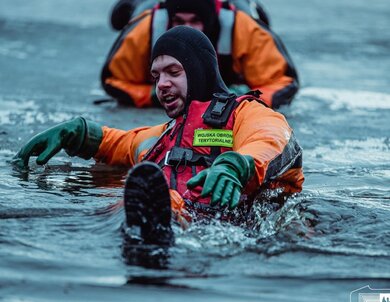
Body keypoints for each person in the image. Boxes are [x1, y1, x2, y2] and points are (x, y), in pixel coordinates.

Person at [13, 26, 304, 246]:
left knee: (158, 203)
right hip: (172, 227)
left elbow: (273, 140)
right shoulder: (166, 135)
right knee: (120, 204)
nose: (162, 85)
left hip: (226, 235)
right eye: (156, 77)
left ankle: (153, 221)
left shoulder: (246, 114)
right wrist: (78, 132)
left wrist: (236, 166)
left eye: (173, 72)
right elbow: (121, 143)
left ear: (199, 71)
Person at [101, 0, 299, 110]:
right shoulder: (146, 29)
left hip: (237, 13)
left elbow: (282, 82)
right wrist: (150, 96)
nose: (187, 29)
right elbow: (114, 80)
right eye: (179, 20)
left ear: (210, 20)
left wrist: (249, 98)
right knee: (120, 15)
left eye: (195, 21)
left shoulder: (244, 29)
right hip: (143, 7)